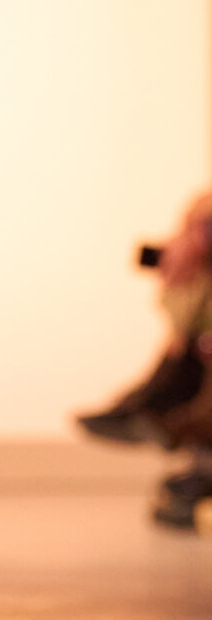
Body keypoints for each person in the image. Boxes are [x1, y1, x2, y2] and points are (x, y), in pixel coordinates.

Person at [78, 192, 212, 530]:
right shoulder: (193, 269)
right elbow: (185, 322)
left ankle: (155, 418)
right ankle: (144, 412)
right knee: (186, 354)